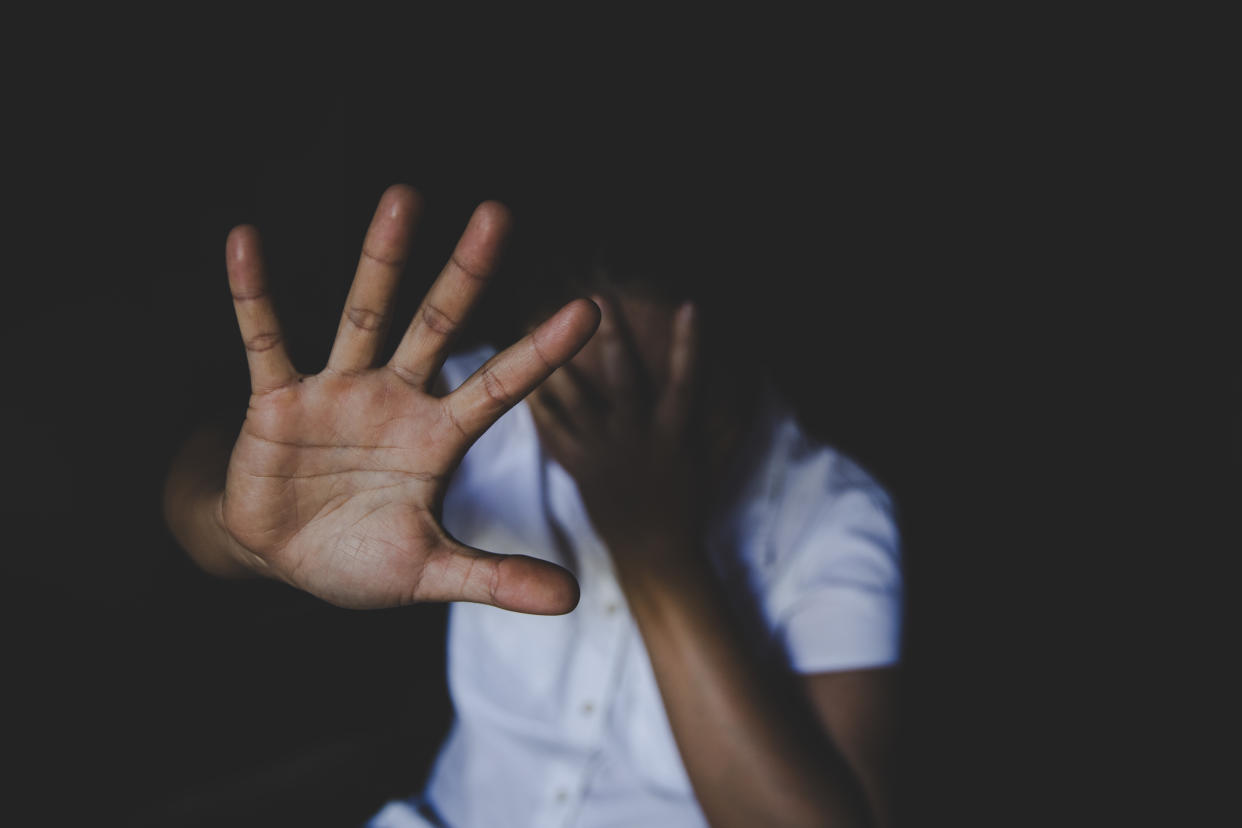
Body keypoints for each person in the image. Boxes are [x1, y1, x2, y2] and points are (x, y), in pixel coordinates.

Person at [164, 184, 903, 827]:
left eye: (654, 394)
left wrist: (657, 553)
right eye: (583, 397)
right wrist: (242, 529)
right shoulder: (472, 414)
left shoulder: (834, 517)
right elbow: (214, 466)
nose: (617, 432)